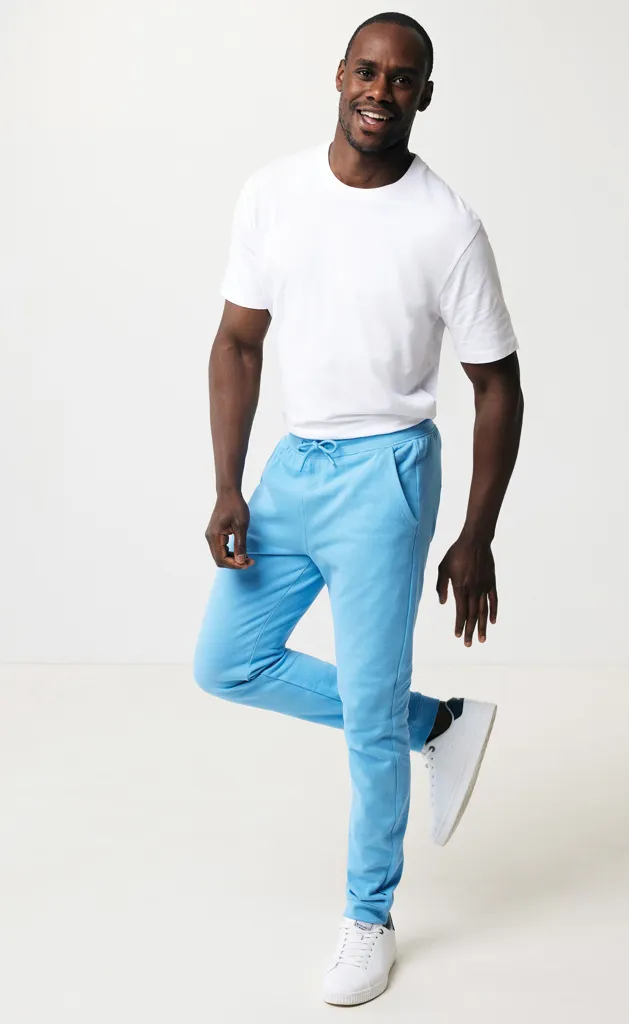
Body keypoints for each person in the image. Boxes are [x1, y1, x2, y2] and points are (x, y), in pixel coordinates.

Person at [193, 10, 524, 1007]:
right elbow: (237, 341)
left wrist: (475, 534)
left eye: (402, 79)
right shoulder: (274, 193)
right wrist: (227, 482)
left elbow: (497, 384)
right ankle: (437, 723)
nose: (381, 92)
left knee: (365, 727)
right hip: (293, 466)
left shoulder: (447, 225)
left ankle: (367, 917)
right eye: (367, 72)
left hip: (386, 472)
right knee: (226, 662)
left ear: (425, 95)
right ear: (339, 76)